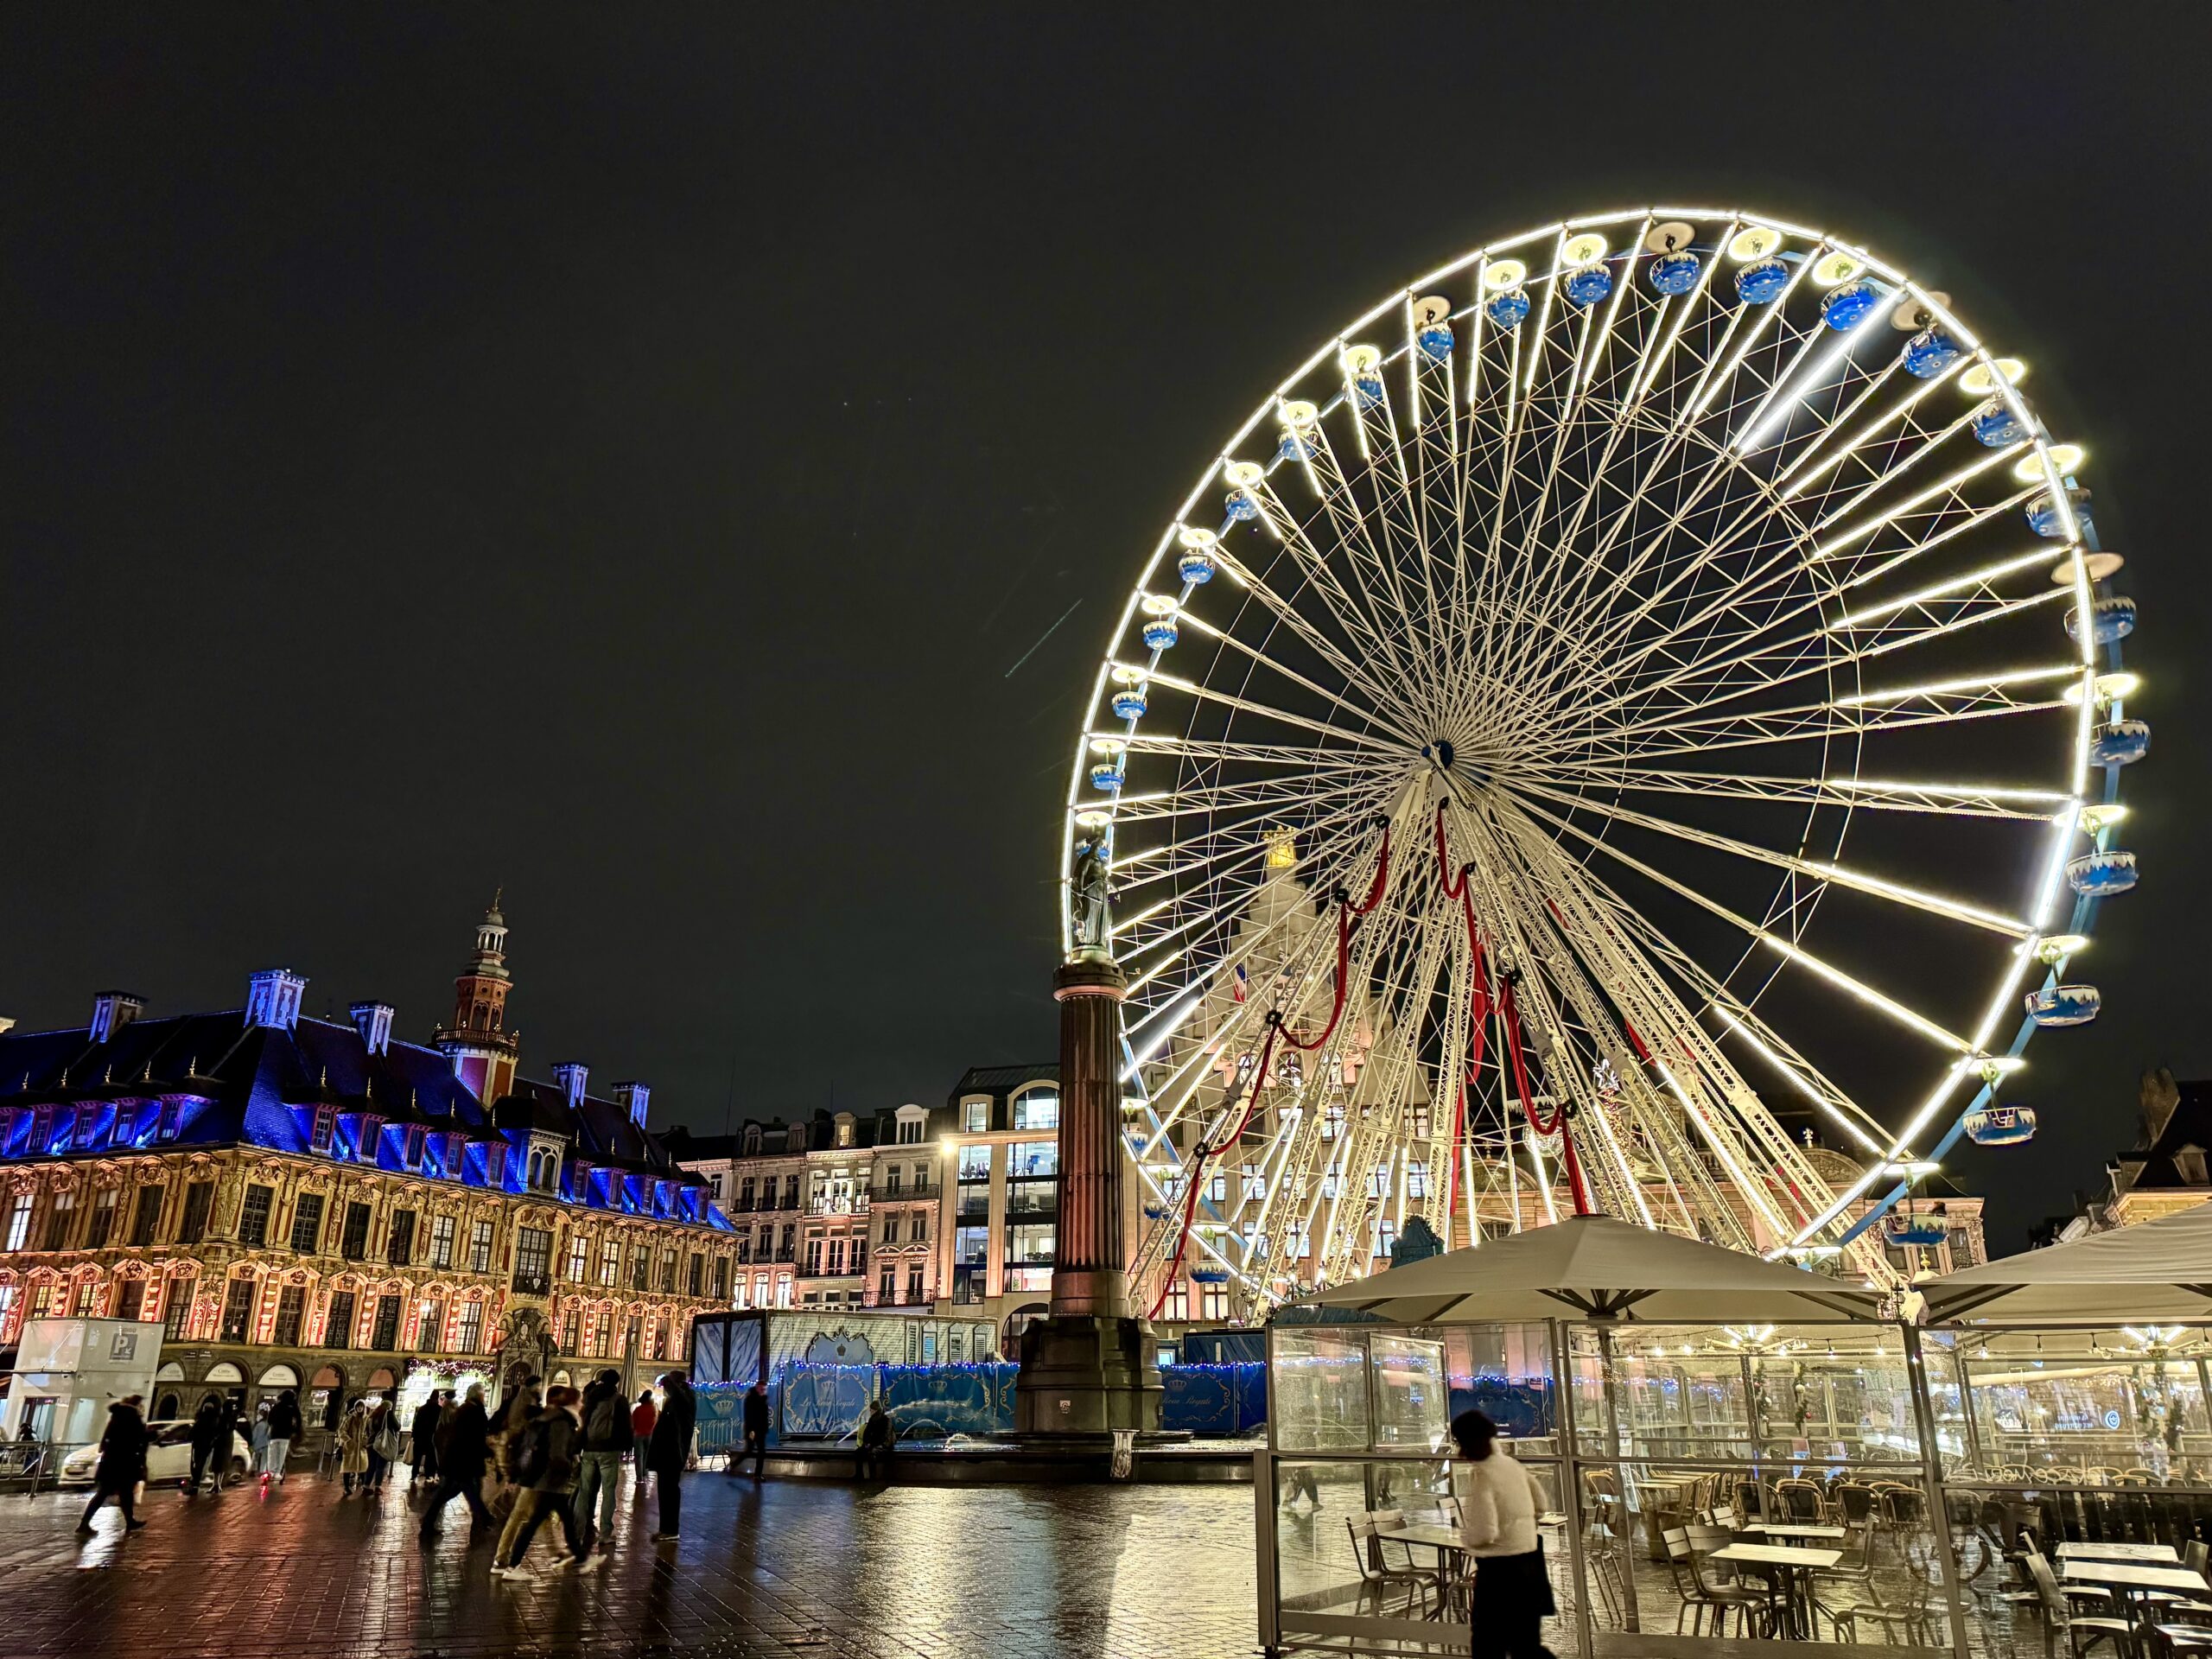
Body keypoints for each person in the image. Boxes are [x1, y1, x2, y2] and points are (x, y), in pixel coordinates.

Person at [1451, 1409, 1554, 1659]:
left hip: (1499, 1572)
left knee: (1487, 1643)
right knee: (1526, 1643)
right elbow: (1540, 1504)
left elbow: (1485, 1532)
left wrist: (1466, 1538)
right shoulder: (1512, 1465)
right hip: (1531, 1564)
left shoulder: (1484, 1475)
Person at [493, 1385, 583, 1580]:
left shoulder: (542, 1416)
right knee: (526, 1518)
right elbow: (521, 1444)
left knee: (538, 1518)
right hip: (538, 1476)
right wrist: (510, 1474)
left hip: (535, 1475)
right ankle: (504, 1561)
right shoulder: (549, 1418)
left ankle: (557, 1554)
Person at [572, 1370, 632, 1565]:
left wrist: (578, 1447)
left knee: (584, 1491)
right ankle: (606, 1533)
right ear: (616, 1382)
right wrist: (626, 1446)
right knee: (608, 1491)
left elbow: (583, 1423)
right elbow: (626, 1425)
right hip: (609, 1451)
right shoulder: (619, 1400)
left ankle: (577, 1532)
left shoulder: (590, 1398)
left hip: (588, 1450)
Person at [418, 1385, 493, 1538]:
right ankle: (485, 1519)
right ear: (479, 1396)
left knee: (450, 1493)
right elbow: (474, 1438)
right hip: (464, 1461)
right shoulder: (473, 1411)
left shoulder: (465, 1409)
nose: (484, 1397)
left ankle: (484, 1519)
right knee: (469, 1492)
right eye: (483, 1394)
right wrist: (488, 1451)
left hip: (458, 1461)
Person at [77, 1395, 149, 1534]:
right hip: (125, 1463)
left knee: (117, 1493)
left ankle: (128, 1521)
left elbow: (106, 1440)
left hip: (111, 1462)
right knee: (118, 1493)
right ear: (136, 1405)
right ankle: (85, 1524)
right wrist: (149, 1436)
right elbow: (138, 1440)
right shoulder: (133, 1418)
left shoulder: (116, 1416)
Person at [645, 1371, 693, 1541]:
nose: (665, 1389)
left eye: (668, 1386)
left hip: (673, 1453)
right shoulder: (676, 1400)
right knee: (664, 1492)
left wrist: (670, 1383)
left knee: (670, 1492)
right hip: (666, 1453)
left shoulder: (686, 1397)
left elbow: (680, 1400)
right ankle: (665, 1528)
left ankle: (671, 1529)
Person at [187, 1393, 226, 1495]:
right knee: (200, 1464)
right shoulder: (215, 1420)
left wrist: (189, 1438)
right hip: (207, 1445)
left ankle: (195, 1485)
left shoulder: (202, 1419)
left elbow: (193, 1431)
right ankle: (196, 1483)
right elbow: (215, 1433)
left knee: (197, 1465)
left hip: (199, 1444)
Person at [263, 1388, 301, 1484]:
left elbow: (269, 1420)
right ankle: (277, 1473)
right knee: (281, 1455)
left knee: (272, 1454)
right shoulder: (293, 1408)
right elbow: (298, 1421)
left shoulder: (276, 1407)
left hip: (274, 1434)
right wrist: (293, 1430)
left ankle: (271, 1472)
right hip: (285, 1435)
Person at [337, 1398, 372, 1497]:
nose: (359, 1408)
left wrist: (366, 1441)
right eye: (358, 1406)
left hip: (361, 1447)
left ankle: (365, 1487)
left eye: (361, 1406)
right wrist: (349, 1440)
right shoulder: (350, 1418)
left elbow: (369, 1432)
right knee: (347, 1468)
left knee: (363, 1467)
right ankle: (346, 1487)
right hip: (351, 1447)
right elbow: (341, 1431)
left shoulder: (366, 1419)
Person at [856, 1399, 895, 1481]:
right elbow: (866, 1433)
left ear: (876, 1410)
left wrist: (872, 1444)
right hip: (873, 1444)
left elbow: (885, 1436)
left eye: (871, 1410)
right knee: (858, 1452)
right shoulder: (872, 1419)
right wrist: (866, 1443)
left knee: (872, 1453)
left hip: (884, 1445)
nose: (870, 1411)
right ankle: (859, 1475)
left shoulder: (886, 1419)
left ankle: (872, 1477)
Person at [410, 1391, 443, 1485]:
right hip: (431, 1438)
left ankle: (413, 1475)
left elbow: (416, 1423)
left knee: (417, 1457)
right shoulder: (439, 1410)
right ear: (437, 1398)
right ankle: (429, 1475)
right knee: (430, 1457)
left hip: (420, 1437)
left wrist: (414, 1436)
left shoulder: (422, 1409)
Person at [365, 1395, 397, 1492]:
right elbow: (397, 1426)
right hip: (382, 1444)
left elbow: (367, 1430)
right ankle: (377, 1486)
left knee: (371, 1466)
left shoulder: (372, 1416)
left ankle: (366, 1485)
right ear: (388, 1408)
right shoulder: (388, 1415)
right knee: (380, 1466)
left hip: (370, 1444)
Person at [741, 1382, 769, 1478]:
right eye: (761, 1389)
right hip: (752, 1430)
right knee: (749, 1451)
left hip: (761, 1430)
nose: (763, 1391)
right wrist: (751, 1430)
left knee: (761, 1452)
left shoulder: (763, 1399)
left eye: (764, 1389)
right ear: (757, 1388)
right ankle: (734, 1464)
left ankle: (758, 1474)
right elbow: (750, 1416)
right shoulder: (751, 1399)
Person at [629, 1388, 658, 1464]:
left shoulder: (638, 1409)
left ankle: (639, 1475)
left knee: (638, 1456)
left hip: (638, 1434)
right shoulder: (653, 1409)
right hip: (649, 1434)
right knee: (646, 1454)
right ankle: (644, 1471)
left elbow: (632, 1423)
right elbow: (654, 1422)